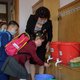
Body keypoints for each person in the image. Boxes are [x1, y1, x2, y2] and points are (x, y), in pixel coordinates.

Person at [25, 6, 53, 80]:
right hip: (32, 42)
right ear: (37, 17)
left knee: (41, 61)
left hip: (42, 43)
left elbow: (50, 34)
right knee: (32, 62)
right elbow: (27, 30)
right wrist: (33, 39)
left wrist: (48, 43)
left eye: (45, 19)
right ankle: (33, 78)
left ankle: (41, 78)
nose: (43, 21)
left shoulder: (49, 22)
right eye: (41, 19)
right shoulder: (32, 18)